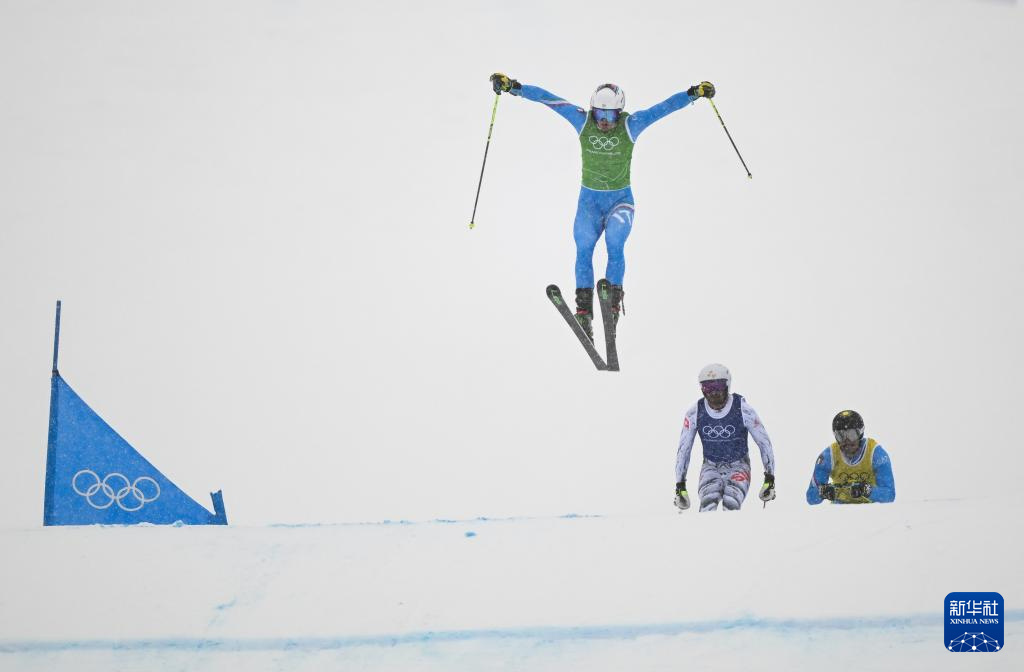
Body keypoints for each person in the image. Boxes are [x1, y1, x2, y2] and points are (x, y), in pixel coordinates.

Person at [488, 73, 715, 341]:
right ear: (592, 110)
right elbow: (548, 99)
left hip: (620, 203)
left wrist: (693, 93)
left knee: (614, 243)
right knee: (583, 249)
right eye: (599, 114)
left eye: (609, 115)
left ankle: (613, 307)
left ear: (620, 112)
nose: (604, 121)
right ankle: (584, 311)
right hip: (589, 204)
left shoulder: (631, 125)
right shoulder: (583, 122)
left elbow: (664, 108)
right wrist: (514, 87)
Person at [674, 363, 776, 512]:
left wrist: (769, 478)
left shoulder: (742, 409)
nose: (714, 393)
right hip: (710, 467)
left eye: (718, 386)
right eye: (708, 388)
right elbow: (684, 449)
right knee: (707, 507)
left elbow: (764, 442)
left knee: (731, 504)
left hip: (738, 465)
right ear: (702, 389)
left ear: (727, 385)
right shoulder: (695, 412)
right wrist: (680, 485)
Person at [806, 410, 896, 504]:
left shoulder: (875, 454)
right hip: (839, 511)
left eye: (851, 435)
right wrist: (823, 492)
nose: (846, 441)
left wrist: (866, 491)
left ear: (860, 433)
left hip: (870, 510)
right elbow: (811, 497)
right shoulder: (828, 456)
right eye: (840, 436)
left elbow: (889, 494)